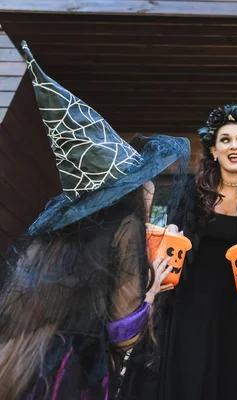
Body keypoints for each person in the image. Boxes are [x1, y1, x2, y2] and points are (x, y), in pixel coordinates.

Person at [0, 42, 190, 400]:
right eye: (140, 179)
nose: (148, 185)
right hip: (72, 378)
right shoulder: (124, 228)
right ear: (125, 194)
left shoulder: (46, 239)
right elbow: (124, 334)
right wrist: (150, 291)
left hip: (18, 372)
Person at [126, 104, 237, 400]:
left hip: (229, 305)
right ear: (214, 151)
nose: (234, 145)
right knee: (185, 375)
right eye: (225, 140)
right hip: (185, 300)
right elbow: (172, 235)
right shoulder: (192, 189)